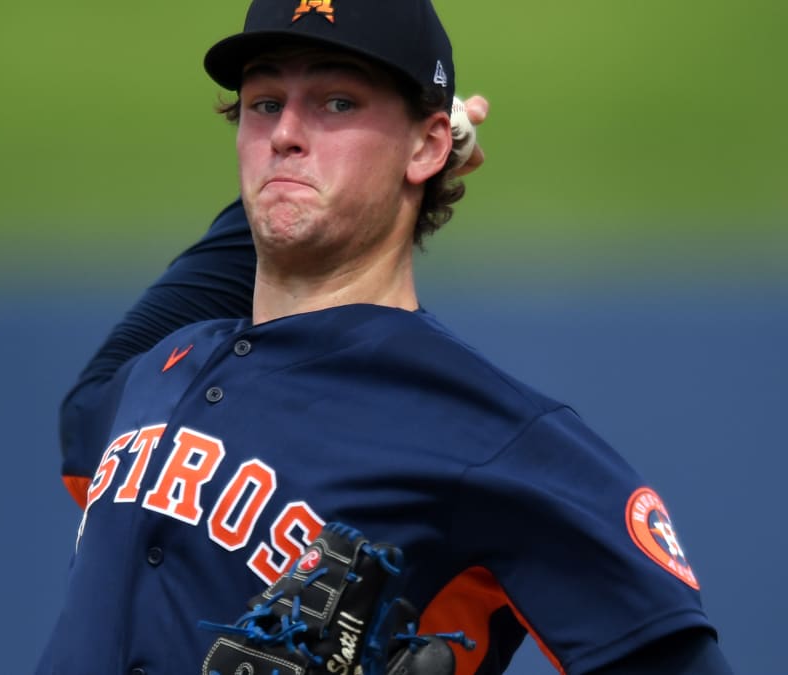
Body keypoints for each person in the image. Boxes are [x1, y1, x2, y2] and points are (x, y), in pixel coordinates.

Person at [37, 0, 731, 673]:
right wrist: (318, 183)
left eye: (337, 103)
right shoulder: (157, 372)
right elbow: (89, 403)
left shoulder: (489, 432)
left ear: (429, 145)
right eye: (264, 103)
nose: (285, 133)